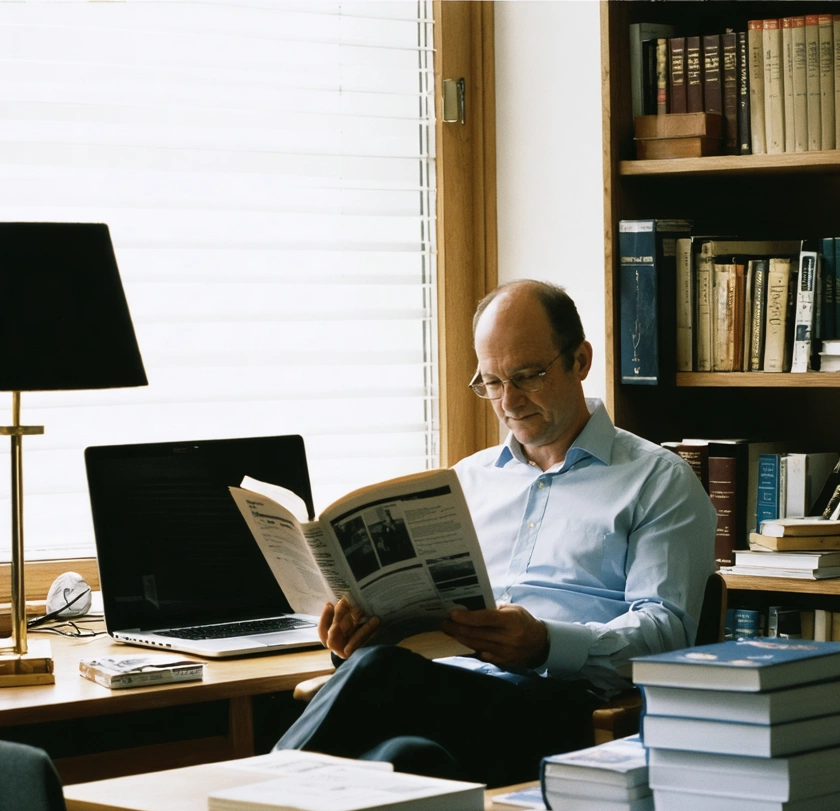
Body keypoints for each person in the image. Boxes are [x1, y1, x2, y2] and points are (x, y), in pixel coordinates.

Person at [275, 280, 716, 785]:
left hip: (557, 708)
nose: (509, 401)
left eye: (527, 376)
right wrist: (353, 637)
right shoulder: (465, 481)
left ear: (581, 360)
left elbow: (668, 634)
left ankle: (238, 802)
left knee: (381, 674)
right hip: (445, 697)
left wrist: (547, 644)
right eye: (491, 382)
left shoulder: (659, 481)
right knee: (405, 755)